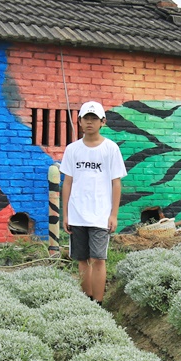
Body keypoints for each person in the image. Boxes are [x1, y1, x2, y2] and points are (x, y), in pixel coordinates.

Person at [60, 101, 127, 304]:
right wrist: (66, 214)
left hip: (100, 214)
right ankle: (86, 301)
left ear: (102, 122)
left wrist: (113, 214)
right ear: (79, 121)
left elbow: (116, 183)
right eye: (86, 118)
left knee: (98, 259)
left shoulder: (110, 149)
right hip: (77, 213)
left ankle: (98, 303)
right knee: (82, 259)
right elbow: (68, 182)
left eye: (94, 119)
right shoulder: (72, 150)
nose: (89, 122)